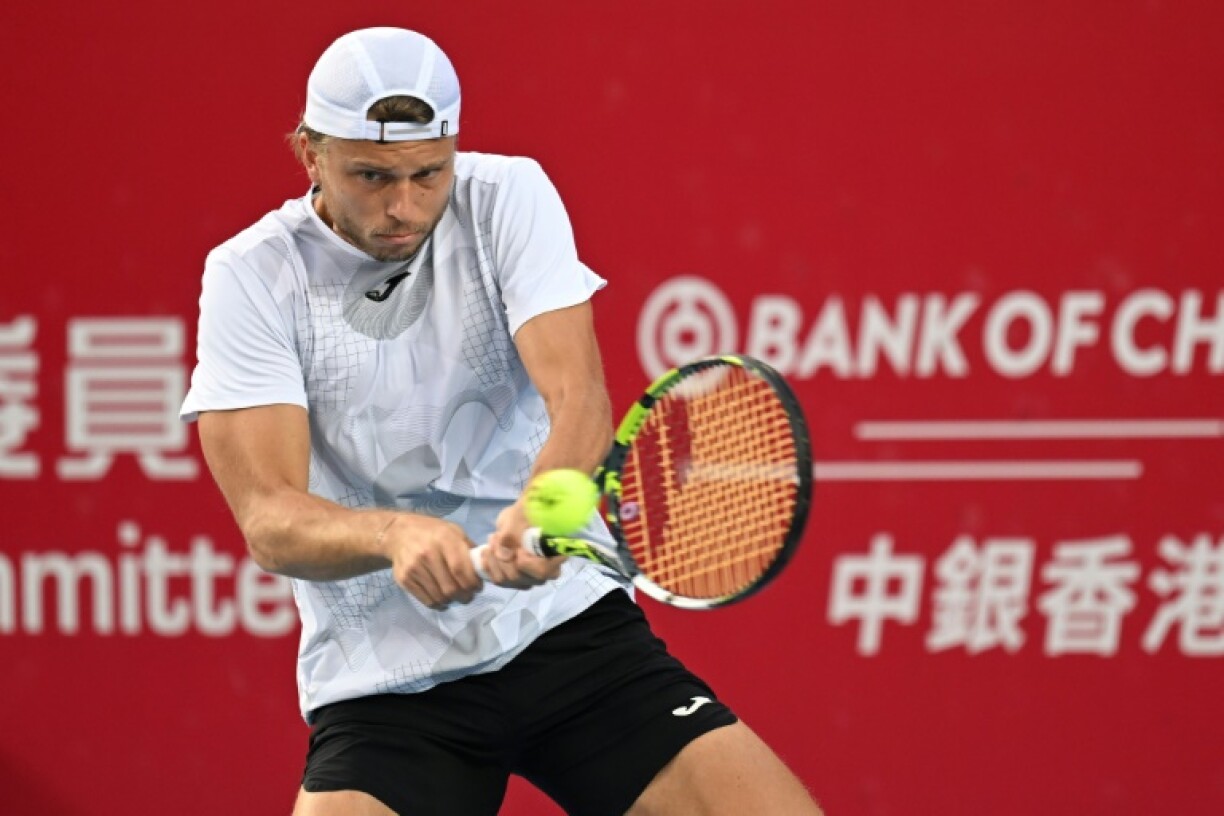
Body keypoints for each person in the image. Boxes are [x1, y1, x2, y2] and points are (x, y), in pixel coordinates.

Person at [182, 26, 822, 816]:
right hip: (388, 684)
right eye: (371, 176)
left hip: (564, 630)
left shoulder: (506, 198)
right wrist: (392, 536)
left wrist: (544, 504)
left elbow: (579, 396)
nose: (403, 207)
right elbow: (268, 518)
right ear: (311, 154)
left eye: (428, 174)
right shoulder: (252, 275)